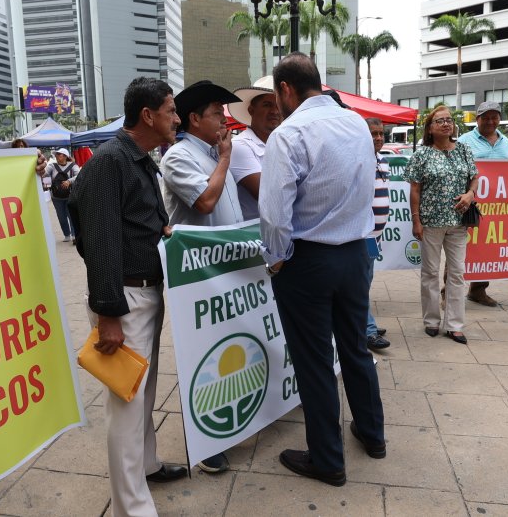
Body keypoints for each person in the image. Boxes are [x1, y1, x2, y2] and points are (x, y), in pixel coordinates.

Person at [259, 53, 385, 487]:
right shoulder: (355, 123)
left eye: (277, 95)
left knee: (314, 362)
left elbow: (275, 215)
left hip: (309, 260)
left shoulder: (289, 133)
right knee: (354, 348)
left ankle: (328, 459)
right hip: (354, 253)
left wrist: (275, 256)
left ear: (286, 90)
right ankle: (373, 434)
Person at [69, 77, 188, 517]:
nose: (177, 119)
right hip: (125, 299)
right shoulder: (109, 162)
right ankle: (131, 508)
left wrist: (161, 231)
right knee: (125, 403)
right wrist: (109, 315)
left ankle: (148, 465)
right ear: (148, 115)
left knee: (143, 391)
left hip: (145, 294)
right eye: (172, 111)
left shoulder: (138, 158)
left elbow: (133, 220)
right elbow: (98, 243)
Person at [159, 80, 242, 474]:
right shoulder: (179, 157)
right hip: (198, 277)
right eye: (216, 113)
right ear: (194, 119)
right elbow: (206, 203)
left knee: (229, 350)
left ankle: (230, 421)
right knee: (203, 358)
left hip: (226, 269)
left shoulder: (210, 152)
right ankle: (205, 442)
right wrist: (225, 159)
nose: (224, 120)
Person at [404, 106, 478, 344]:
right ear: (430, 128)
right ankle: (432, 320)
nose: (446, 124)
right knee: (430, 273)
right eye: (440, 121)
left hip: (458, 223)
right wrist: (416, 220)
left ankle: (455, 325)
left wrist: (470, 195)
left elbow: (474, 177)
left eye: (449, 120)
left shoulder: (464, 150)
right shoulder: (422, 155)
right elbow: (415, 189)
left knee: (457, 273)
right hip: (431, 223)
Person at [458, 101, 508, 307]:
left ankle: (478, 290)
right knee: (461, 248)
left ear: (499, 119)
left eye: (495, 117)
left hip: (498, 207)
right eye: (486, 117)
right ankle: (449, 291)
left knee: (488, 247)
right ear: (477, 119)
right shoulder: (464, 141)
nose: (491, 121)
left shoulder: (506, 143)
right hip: (469, 205)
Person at [229, 75, 282, 220]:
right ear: (251, 110)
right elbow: (266, 194)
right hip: (254, 238)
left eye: (278, 105)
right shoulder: (240, 145)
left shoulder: (282, 143)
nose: (275, 111)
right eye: (267, 105)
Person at [364, 117, 393, 351]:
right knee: (361, 284)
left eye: (381, 133)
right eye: (373, 133)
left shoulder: (382, 161)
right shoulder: (359, 160)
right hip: (362, 235)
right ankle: (368, 331)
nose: (378, 138)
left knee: (366, 281)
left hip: (376, 236)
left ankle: (365, 322)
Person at [44, 148, 79, 242]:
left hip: (70, 196)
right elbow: (44, 173)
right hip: (56, 197)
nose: (57, 156)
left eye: (59, 154)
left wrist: (69, 181)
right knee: (61, 217)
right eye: (57, 154)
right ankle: (67, 235)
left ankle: (74, 235)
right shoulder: (52, 166)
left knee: (71, 216)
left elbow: (79, 175)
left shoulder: (73, 166)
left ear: (65, 156)